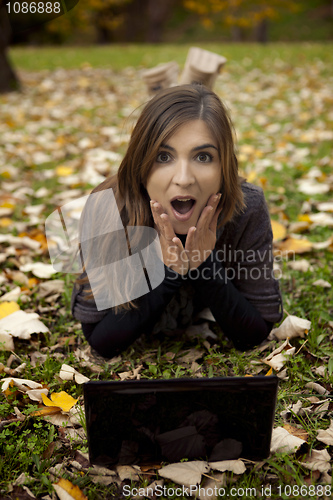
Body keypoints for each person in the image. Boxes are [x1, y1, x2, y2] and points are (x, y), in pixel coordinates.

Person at [71, 84, 283, 359]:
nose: (183, 178)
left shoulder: (247, 206)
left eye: (203, 156)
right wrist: (168, 272)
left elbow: (254, 334)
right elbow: (101, 340)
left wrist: (204, 262)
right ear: (140, 164)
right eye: (163, 156)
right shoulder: (107, 207)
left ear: (224, 167)